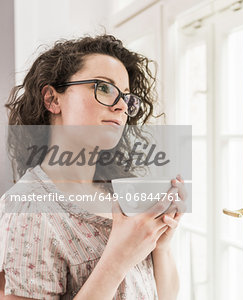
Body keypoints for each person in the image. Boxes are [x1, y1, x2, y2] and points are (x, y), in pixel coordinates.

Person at [0, 35, 186, 299]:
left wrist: (161, 247)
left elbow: (165, 295)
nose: (122, 106)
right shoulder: (27, 210)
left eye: (126, 97)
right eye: (104, 88)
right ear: (53, 100)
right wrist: (118, 260)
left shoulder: (119, 191)